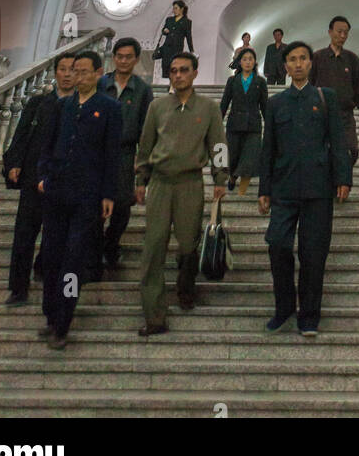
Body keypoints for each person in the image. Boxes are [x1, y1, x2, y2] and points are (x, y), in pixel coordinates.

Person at [259, 41, 351, 336]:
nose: (298, 64)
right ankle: (284, 306)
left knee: (313, 254)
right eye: (292, 60)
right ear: (285, 67)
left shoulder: (326, 98)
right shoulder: (275, 104)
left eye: (303, 59)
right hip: (284, 189)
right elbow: (268, 148)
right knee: (277, 245)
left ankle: (309, 315)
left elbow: (338, 140)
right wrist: (264, 189)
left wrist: (343, 178)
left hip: (318, 188)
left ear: (310, 64)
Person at [135, 53, 228, 336]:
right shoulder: (157, 107)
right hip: (161, 184)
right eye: (173, 71)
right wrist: (141, 178)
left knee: (188, 246)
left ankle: (186, 290)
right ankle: (154, 316)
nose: (178, 75)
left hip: (191, 184)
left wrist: (221, 178)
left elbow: (219, 146)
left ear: (195, 73)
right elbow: (146, 144)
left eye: (184, 70)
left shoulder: (209, 108)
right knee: (154, 247)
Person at [36, 50, 122, 349]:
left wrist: (109, 193)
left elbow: (114, 155)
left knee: (73, 262)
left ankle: (64, 320)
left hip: (87, 196)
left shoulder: (109, 108)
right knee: (50, 256)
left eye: (84, 71)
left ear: (98, 73)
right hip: (57, 191)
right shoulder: (62, 107)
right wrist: (43, 176)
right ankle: (49, 314)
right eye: (74, 70)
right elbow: (47, 146)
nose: (78, 76)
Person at [3, 52, 76, 306]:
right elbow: (21, 135)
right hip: (33, 177)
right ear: (56, 72)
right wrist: (14, 163)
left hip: (64, 181)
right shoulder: (38, 103)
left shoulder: (81, 106)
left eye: (72, 70)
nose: (67, 74)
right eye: (63, 69)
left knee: (55, 235)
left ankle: (44, 270)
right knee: (24, 235)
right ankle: (18, 288)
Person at [97, 37, 153, 272]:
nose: (123, 61)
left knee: (121, 206)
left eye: (128, 57)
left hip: (125, 155)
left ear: (136, 59)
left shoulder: (142, 90)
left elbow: (147, 132)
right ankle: (94, 249)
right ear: (113, 58)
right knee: (94, 205)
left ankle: (112, 243)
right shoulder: (101, 84)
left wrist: (142, 172)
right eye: (119, 56)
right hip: (97, 153)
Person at [309, 15, 359, 166]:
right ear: (330, 32)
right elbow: (309, 84)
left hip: (345, 115)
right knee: (321, 152)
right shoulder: (317, 57)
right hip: (321, 114)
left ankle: (342, 182)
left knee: (351, 150)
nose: (342, 36)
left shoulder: (353, 59)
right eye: (339, 31)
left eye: (346, 32)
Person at [220, 46, 268, 196]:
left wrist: (270, 126)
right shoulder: (232, 81)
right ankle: (233, 177)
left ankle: (242, 192)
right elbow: (224, 103)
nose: (248, 62)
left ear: (255, 62)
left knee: (250, 158)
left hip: (253, 126)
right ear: (240, 62)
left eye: (251, 59)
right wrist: (217, 122)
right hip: (234, 124)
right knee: (232, 156)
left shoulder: (261, 82)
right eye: (245, 59)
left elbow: (265, 106)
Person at [154, 0, 193, 86]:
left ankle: (172, 85)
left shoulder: (187, 22)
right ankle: (171, 83)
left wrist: (191, 50)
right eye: (173, 8)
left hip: (177, 47)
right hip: (167, 46)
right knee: (167, 65)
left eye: (176, 8)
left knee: (175, 65)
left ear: (181, 9)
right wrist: (165, 30)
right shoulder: (169, 20)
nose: (174, 10)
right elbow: (163, 31)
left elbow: (188, 36)